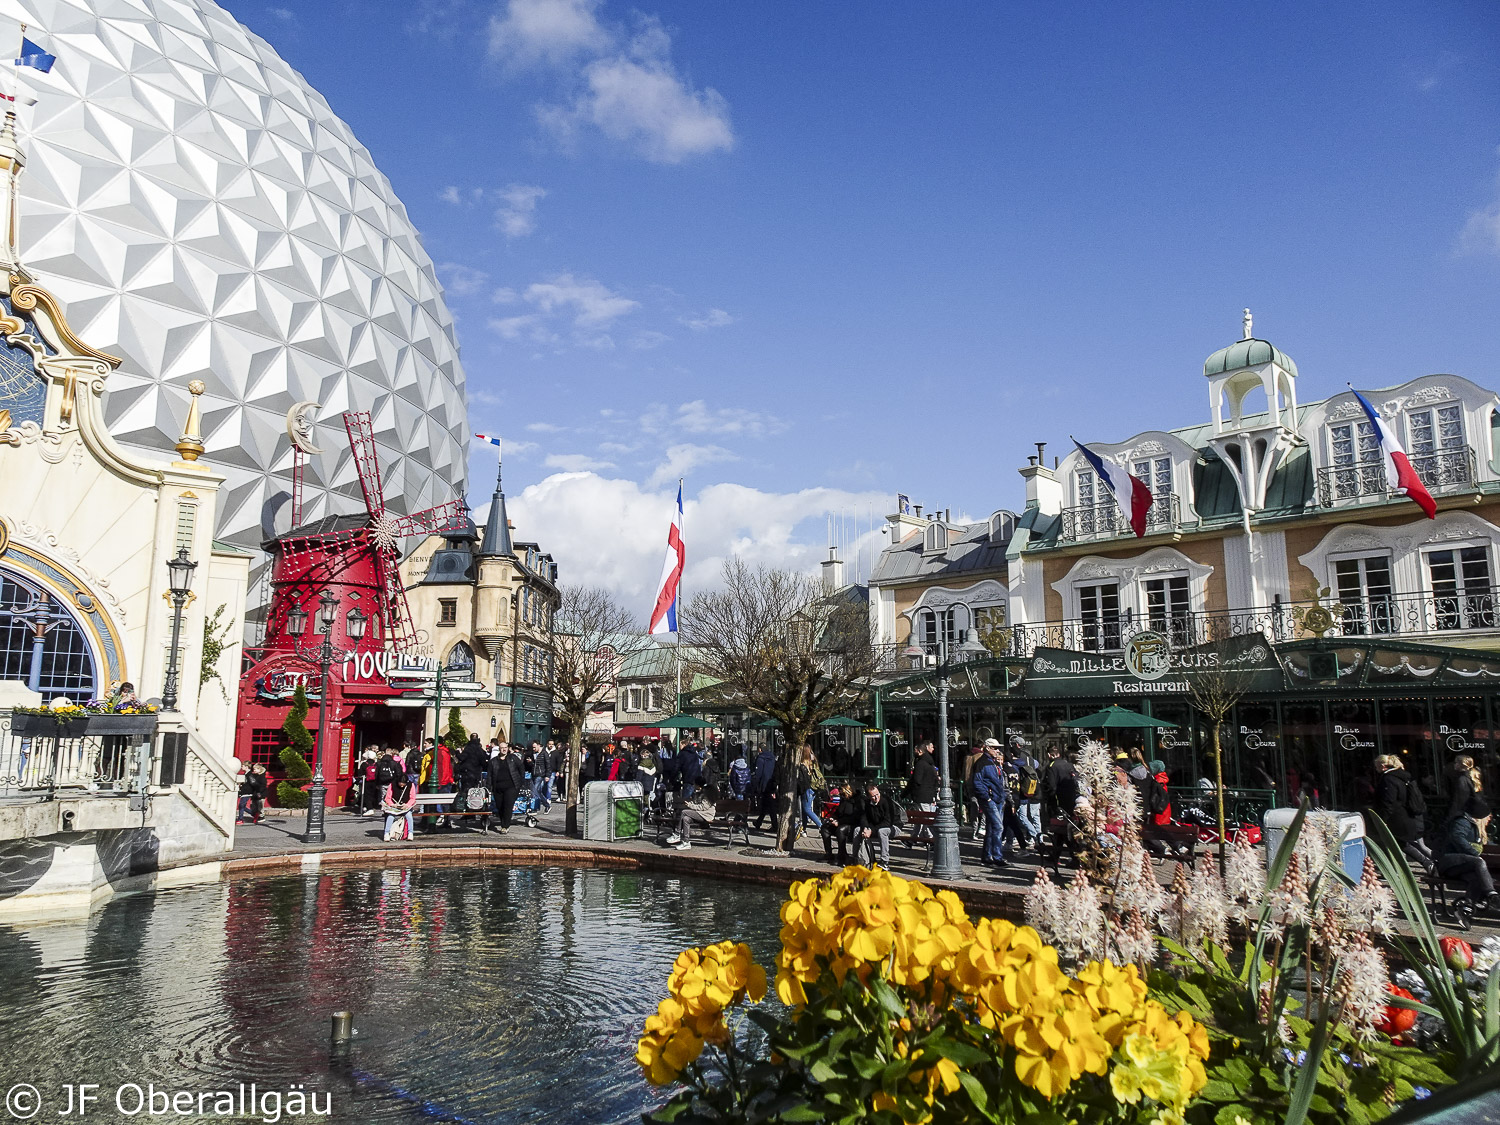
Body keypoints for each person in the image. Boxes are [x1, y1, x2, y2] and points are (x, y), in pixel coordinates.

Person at [1372, 753, 1432, 867]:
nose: (1376, 769)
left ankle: (1427, 863)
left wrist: (1383, 819)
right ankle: (1422, 864)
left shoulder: (1388, 779)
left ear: (1383, 766)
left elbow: (1388, 801)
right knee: (1403, 844)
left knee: (1401, 844)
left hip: (1396, 818)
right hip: (1406, 817)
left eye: (1377, 766)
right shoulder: (1402, 777)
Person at [1439, 795, 1497, 909]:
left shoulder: (1469, 823)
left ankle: (1467, 908)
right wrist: (1474, 853)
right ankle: (1492, 895)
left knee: (1476, 879)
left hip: (1461, 865)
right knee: (1478, 862)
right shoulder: (1462, 821)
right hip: (1451, 862)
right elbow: (1457, 837)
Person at [971, 738, 1009, 868]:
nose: (997, 750)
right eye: (995, 748)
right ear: (987, 748)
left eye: (998, 748)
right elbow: (977, 782)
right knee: (998, 827)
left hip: (996, 798)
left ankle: (988, 856)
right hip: (991, 799)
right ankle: (997, 856)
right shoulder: (983, 763)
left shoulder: (992, 762)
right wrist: (987, 797)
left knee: (992, 828)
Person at [858, 782, 900, 868]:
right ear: (869, 796)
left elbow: (888, 822)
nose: (876, 797)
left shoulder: (886, 801)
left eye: (877, 794)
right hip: (875, 826)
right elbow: (864, 817)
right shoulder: (866, 803)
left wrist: (871, 830)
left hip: (893, 827)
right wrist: (866, 828)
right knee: (857, 830)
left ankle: (884, 861)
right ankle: (858, 859)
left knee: (882, 831)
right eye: (873, 796)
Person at [822, 780, 864, 864]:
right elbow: (838, 812)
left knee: (840, 830)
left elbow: (856, 817)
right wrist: (833, 818)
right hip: (841, 822)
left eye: (843, 794)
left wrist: (839, 822)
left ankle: (842, 854)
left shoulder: (858, 801)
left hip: (853, 824)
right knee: (824, 828)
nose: (841, 796)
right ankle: (828, 853)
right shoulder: (843, 800)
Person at [1009, 739, 1043, 843]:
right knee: (1033, 816)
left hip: (1021, 790)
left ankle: (1033, 837)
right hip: (1033, 789)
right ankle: (1037, 838)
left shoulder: (1018, 758)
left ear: (1017, 745)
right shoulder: (1031, 757)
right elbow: (1038, 769)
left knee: (1021, 816)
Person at [667, 785, 718, 851]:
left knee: (684, 812)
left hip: (706, 816)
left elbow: (702, 807)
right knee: (686, 819)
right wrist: (692, 801)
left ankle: (677, 834)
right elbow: (697, 802)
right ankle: (686, 842)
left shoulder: (708, 798)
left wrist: (690, 805)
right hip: (701, 814)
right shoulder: (702, 796)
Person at [906, 742, 939, 843]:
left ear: (920, 751)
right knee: (920, 818)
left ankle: (931, 839)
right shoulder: (930, 764)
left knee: (925, 818)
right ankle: (912, 839)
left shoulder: (921, 764)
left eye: (915, 750)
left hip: (921, 795)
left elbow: (916, 780)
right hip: (928, 794)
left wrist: (911, 792)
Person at [1040, 744, 1079, 829]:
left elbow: (1052, 786)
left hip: (1059, 798)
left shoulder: (1052, 766)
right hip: (1071, 797)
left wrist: (1049, 797)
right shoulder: (1068, 764)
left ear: (1049, 755)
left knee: (1059, 823)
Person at [489, 744, 525, 833]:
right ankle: (503, 822)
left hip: (511, 787)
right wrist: (489, 787)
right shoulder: (493, 761)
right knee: (500, 807)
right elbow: (490, 775)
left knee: (508, 806)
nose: (504, 749)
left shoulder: (513, 758)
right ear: (499, 749)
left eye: (505, 748)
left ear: (508, 749)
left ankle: (505, 826)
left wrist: (520, 782)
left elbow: (521, 769)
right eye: (502, 748)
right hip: (498, 787)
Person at [1448, 755, 1484, 824]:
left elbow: (1460, 799)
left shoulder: (1462, 779)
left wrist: (1451, 815)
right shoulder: (1472, 776)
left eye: (1456, 762)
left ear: (1462, 764)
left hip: (1465, 815)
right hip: (1474, 814)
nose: (1454, 764)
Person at [382, 770, 416, 842]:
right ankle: (386, 833)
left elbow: (412, 798)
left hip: (405, 806)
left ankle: (410, 833)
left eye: (403, 784)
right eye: (400, 783)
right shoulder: (392, 785)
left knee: (409, 815)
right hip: (394, 805)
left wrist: (407, 805)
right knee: (390, 816)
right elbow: (388, 797)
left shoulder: (411, 785)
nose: (402, 785)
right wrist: (392, 804)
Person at [749, 745, 777, 830]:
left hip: (764, 784)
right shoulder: (772, 758)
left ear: (760, 749)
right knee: (766, 804)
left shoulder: (760, 759)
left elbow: (758, 773)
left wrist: (756, 785)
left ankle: (775, 825)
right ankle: (759, 822)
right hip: (771, 783)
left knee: (769, 805)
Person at [962, 742, 987, 838]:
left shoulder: (968, 756)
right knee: (983, 806)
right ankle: (981, 828)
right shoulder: (981, 756)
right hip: (979, 784)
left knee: (973, 807)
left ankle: (974, 829)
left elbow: (964, 771)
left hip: (968, 784)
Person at [531, 742, 553, 812]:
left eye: (534, 747)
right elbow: (534, 765)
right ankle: (546, 805)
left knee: (535, 790)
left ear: (538, 745)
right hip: (534, 774)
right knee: (538, 791)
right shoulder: (534, 754)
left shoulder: (544, 753)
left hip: (540, 775)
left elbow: (548, 765)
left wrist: (547, 775)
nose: (533, 749)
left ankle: (534, 807)